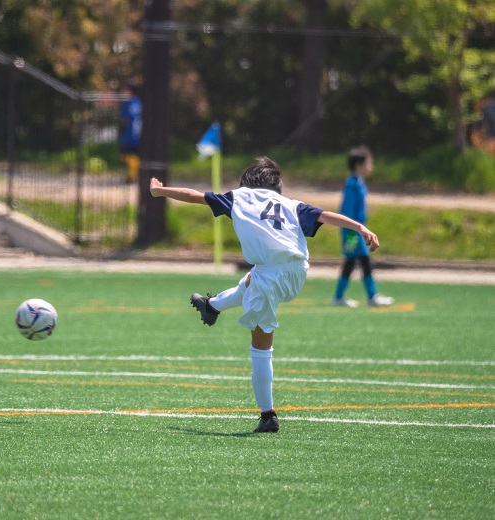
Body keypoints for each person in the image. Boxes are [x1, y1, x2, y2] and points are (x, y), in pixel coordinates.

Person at [149, 157, 382, 433]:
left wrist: (159, 191)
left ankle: (268, 414)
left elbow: (193, 195)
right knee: (252, 279)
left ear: (247, 182)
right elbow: (325, 215)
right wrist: (360, 227)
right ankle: (211, 306)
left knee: (260, 349)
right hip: (297, 272)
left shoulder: (240, 197)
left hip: (270, 277)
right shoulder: (291, 204)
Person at [332, 146, 394, 308]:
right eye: (368, 163)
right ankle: (372, 296)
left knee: (351, 261)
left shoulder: (358, 182)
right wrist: (353, 227)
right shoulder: (352, 184)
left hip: (356, 230)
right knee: (363, 259)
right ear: (358, 165)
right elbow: (347, 210)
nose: (370, 166)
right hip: (353, 232)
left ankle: (339, 296)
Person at [119, 81, 142, 184]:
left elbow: (125, 119)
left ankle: (132, 176)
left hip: (130, 135)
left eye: (126, 90)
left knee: (129, 155)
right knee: (129, 156)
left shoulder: (129, 103)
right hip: (135, 134)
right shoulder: (138, 102)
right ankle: (132, 175)